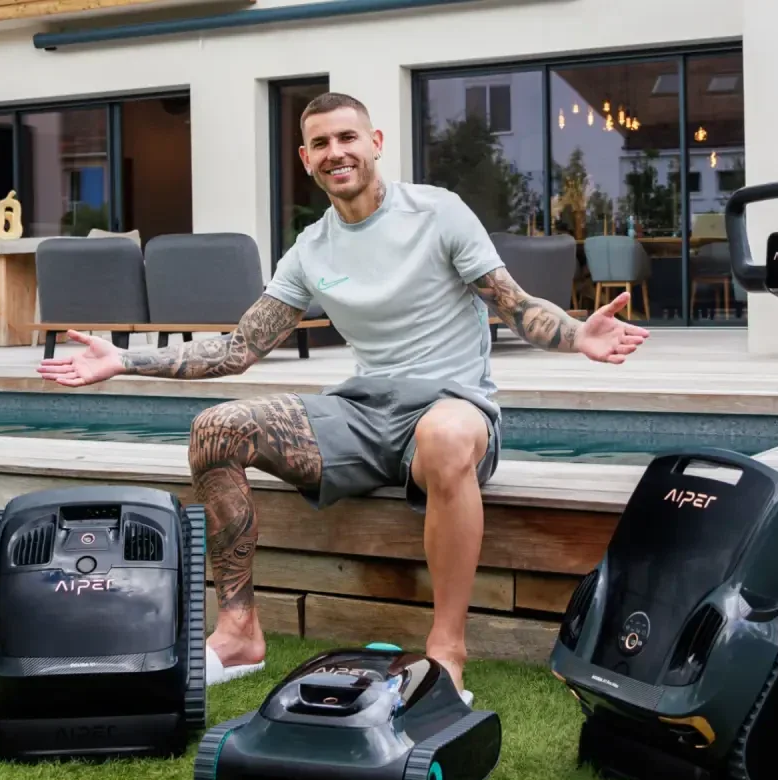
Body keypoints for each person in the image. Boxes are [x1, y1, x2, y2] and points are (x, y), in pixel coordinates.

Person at [36, 91, 647, 701]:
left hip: (452, 409)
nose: (337, 153)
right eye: (322, 144)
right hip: (362, 412)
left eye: (347, 138)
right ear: (306, 159)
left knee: (445, 434)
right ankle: (240, 631)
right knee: (214, 429)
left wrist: (575, 335)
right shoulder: (311, 250)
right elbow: (238, 349)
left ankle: (446, 651)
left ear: (375, 143)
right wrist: (124, 359)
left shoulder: (439, 214)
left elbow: (516, 306)